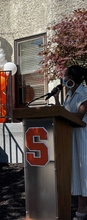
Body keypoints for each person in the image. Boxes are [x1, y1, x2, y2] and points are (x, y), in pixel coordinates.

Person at [53, 65, 87, 220]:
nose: (64, 79)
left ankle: (82, 207)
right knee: (76, 171)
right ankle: (81, 206)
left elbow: (79, 116)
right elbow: (63, 113)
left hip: (82, 137)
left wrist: (62, 113)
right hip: (70, 137)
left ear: (71, 78)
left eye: (65, 76)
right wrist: (56, 98)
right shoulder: (69, 95)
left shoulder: (84, 93)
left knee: (83, 170)